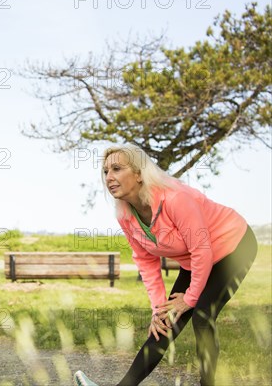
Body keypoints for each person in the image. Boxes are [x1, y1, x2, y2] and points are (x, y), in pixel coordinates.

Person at [74, 144, 258, 386]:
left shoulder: (175, 199)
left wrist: (190, 298)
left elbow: (201, 249)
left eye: (117, 169)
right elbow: (146, 261)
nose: (109, 177)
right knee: (164, 323)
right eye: (106, 171)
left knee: (202, 314)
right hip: (197, 260)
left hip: (234, 245)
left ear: (139, 174)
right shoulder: (126, 215)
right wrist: (158, 309)